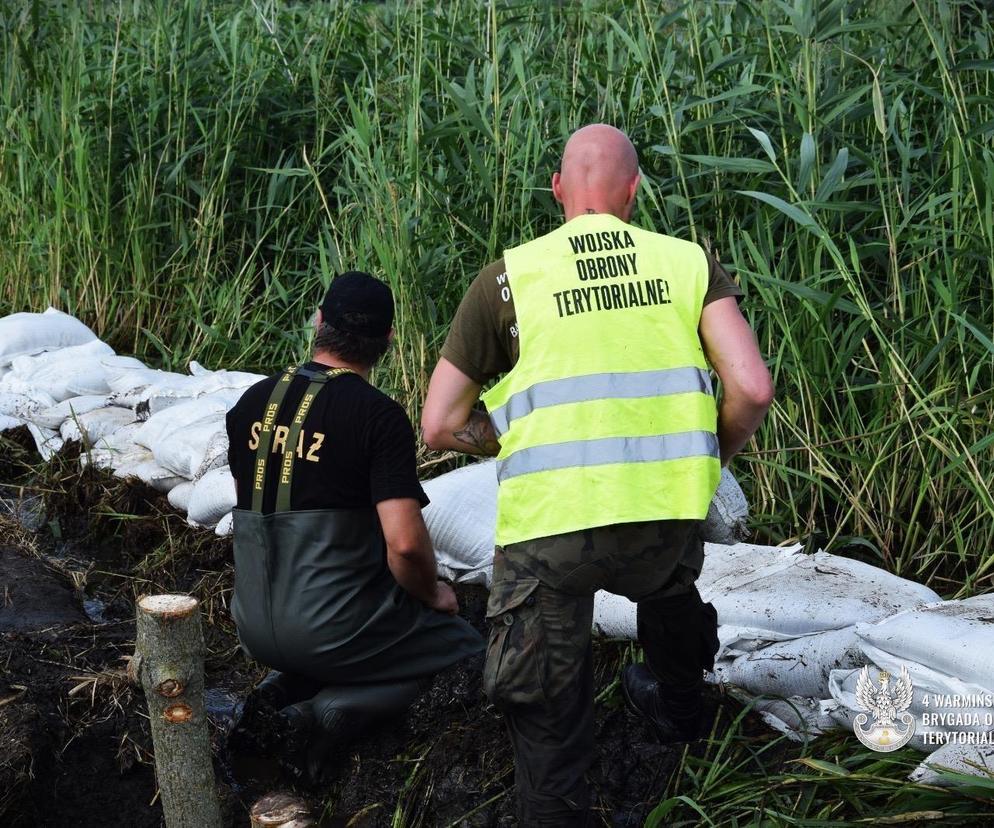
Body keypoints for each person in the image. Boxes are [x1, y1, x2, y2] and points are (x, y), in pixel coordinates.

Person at [421, 124, 774, 825]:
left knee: (549, 720)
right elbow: (753, 389)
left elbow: (438, 422)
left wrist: (514, 441)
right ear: (633, 192)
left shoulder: (507, 277)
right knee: (672, 587)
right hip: (663, 522)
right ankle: (678, 711)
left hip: (552, 533)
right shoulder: (688, 263)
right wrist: (706, 464)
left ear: (558, 190)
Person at [225, 271, 483, 782]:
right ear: (389, 340)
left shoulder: (250, 404)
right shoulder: (377, 416)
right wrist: (434, 594)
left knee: (334, 639)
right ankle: (331, 710)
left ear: (319, 323)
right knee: (467, 649)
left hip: (252, 624)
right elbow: (406, 546)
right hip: (334, 629)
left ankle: (279, 690)